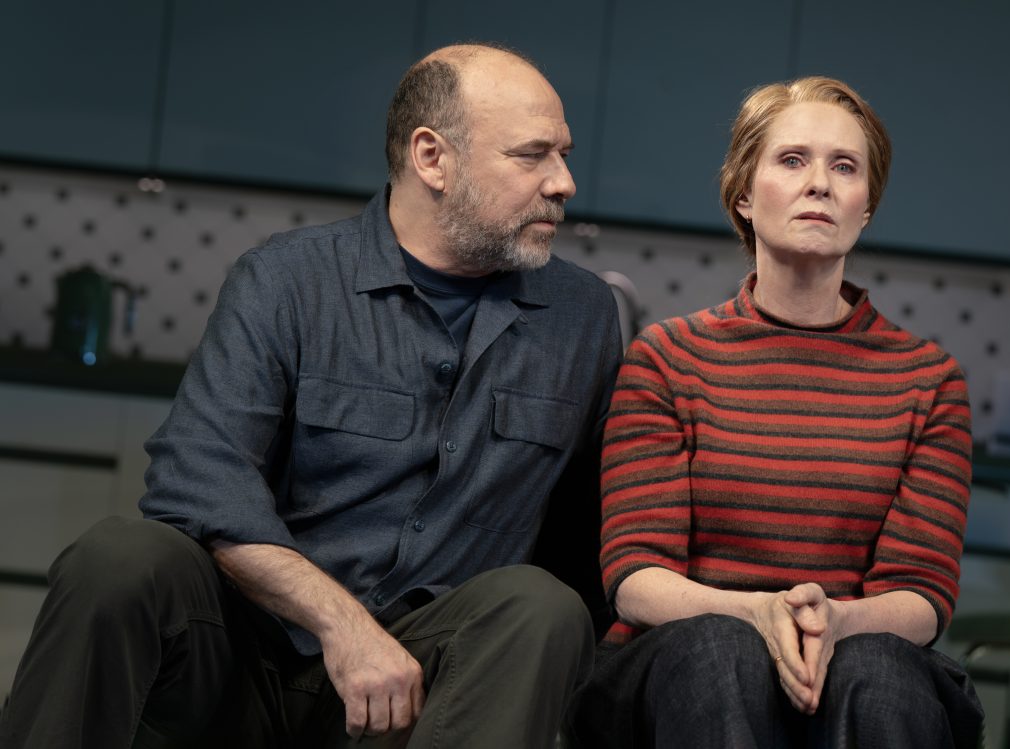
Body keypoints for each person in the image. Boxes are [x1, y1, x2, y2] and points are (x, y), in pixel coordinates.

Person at [0, 43, 622, 748]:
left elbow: (585, 542)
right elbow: (196, 479)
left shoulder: (585, 316)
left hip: (432, 686)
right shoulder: (287, 280)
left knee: (543, 605)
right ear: (431, 158)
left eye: (563, 154)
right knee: (117, 557)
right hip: (245, 659)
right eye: (532, 155)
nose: (564, 181)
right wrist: (341, 623)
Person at [569, 76, 984, 748]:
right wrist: (755, 612)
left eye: (844, 167)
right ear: (743, 193)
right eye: (792, 160)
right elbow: (637, 576)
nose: (818, 182)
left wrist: (834, 622)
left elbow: (921, 593)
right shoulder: (668, 358)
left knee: (879, 670)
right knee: (720, 652)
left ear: (866, 206)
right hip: (677, 667)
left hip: (855, 662)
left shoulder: (927, 381)